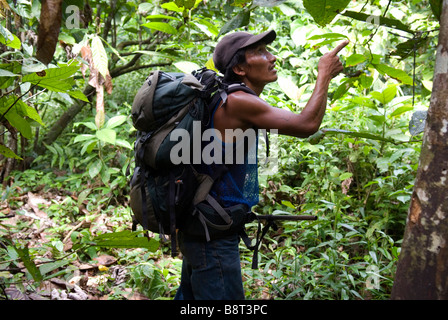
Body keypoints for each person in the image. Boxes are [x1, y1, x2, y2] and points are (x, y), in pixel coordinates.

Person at [174, 30, 348, 300]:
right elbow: (307, 125)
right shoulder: (238, 102)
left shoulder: (226, 97)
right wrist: (323, 73)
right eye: (261, 52)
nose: (272, 57)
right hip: (213, 234)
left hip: (201, 223)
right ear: (240, 68)